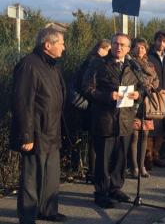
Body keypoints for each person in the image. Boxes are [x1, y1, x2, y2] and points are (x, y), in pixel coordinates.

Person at [10, 26, 67, 223]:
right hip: (36, 132)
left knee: (51, 176)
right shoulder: (29, 65)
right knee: (31, 178)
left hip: (52, 130)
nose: (64, 47)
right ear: (47, 45)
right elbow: (22, 102)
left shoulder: (53, 66)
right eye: (60, 43)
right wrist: (26, 136)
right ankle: (27, 216)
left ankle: (48, 210)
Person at [82, 33, 141, 208]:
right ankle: (100, 192)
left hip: (125, 120)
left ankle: (115, 188)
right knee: (103, 160)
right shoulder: (98, 64)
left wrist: (139, 95)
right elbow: (86, 88)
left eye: (123, 45)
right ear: (112, 45)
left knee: (120, 159)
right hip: (105, 120)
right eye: (116, 43)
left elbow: (142, 88)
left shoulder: (132, 66)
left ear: (129, 49)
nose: (119, 47)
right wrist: (108, 96)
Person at [75, 39, 111, 183]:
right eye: (108, 50)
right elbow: (86, 86)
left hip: (91, 105)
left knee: (93, 141)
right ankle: (93, 173)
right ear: (100, 49)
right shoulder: (95, 63)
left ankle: (92, 172)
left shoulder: (90, 61)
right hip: (93, 106)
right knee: (95, 142)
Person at [129, 38, 159, 178]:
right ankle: (134, 167)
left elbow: (156, 80)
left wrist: (151, 86)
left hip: (147, 102)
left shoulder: (150, 65)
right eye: (138, 47)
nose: (140, 50)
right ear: (133, 48)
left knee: (145, 135)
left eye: (143, 47)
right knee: (134, 135)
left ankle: (142, 166)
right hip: (135, 102)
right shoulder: (130, 63)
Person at [147, 31, 165, 168]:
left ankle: (157, 155)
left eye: (164, 41)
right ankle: (148, 158)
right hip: (153, 97)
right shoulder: (148, 57)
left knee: (162, 128)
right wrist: (157, 90)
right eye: (159, 40)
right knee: (152, 128)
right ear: (155, 41)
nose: (161, 43)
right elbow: (148, 78)